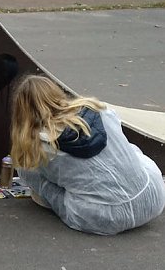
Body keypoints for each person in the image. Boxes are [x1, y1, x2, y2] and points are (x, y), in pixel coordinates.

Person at [10, 75, 165, 235]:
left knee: (26, 168)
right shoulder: (99, 109)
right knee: (127, 149)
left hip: (103, 217)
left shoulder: (41, 144)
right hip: (153, 198)